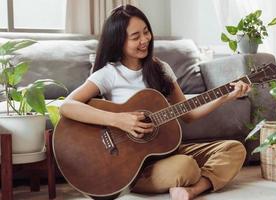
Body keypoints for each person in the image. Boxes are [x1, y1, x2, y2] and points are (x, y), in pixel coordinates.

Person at [59, 4, 251, 200]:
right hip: (134, 165)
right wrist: (119, 120)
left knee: (234, 149)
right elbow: (67, 106)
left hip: (167, 152)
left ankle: (193, 190)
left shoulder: (161, 69)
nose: (144, 40)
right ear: (119, 42)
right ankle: (141, 181)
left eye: (146, 32)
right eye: (135, 37)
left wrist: (225, 97)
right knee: (186, 167)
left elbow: (188, 114)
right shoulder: (109, 74)